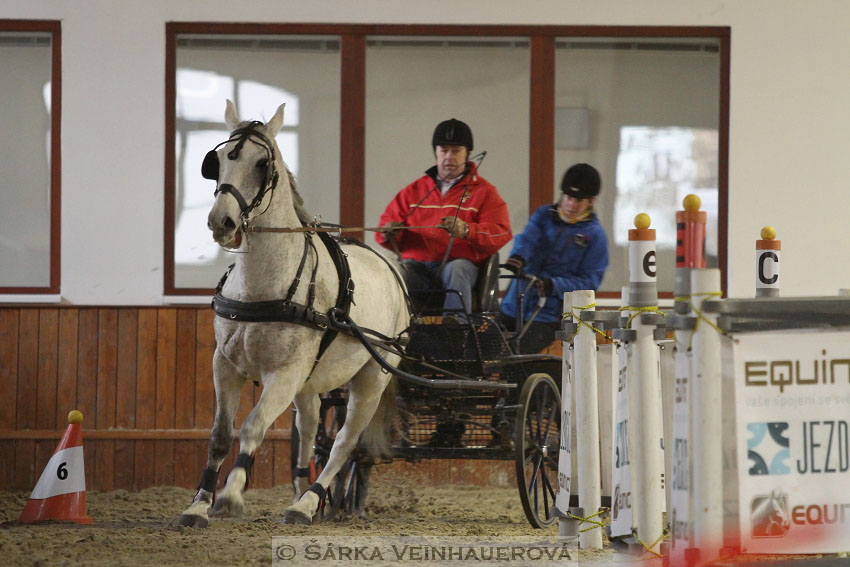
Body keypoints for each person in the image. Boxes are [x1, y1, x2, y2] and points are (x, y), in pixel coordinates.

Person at [376, 118, 512, 318]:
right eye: (443, 150)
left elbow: (502, 231)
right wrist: (389, 233)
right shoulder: (413, 191)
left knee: (456, 269)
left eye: (456, 151)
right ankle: (393, 326)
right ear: (436, 153)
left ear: (468, 154)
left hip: (460, 266)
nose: (449, 156)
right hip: (419, 268)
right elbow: (383, 230)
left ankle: (455, 328)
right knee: (398, 270)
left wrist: (467, 230)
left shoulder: (485, 192)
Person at [498, 163, 609, 353]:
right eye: (569, 197)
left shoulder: (595, 236)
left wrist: (554, 285)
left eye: (579, 200)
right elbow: (528, 238)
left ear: (591, 201)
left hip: (548, 315)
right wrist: (518, 257)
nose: (572, 204)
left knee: (518, 357)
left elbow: (590, 282)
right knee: (486, 349)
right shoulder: (544, 216)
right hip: (513, 304)